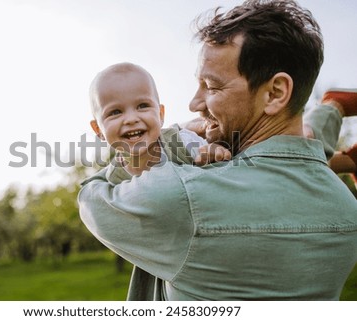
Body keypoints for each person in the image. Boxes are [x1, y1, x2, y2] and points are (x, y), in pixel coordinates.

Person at [79, 0, 357, 300]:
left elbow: (92, 198)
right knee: (305, 139)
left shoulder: (178, 195)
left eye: (211, 86)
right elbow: (290, 153)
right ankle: (333, 108)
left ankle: (333, 107)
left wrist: (167, 138)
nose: (194, 104)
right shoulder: (346, 209)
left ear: (275, 93)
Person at [88, 61, 231, 182]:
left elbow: (215, 164)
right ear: (98, 130)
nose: (131, 119)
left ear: (160, 114)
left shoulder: (183, 143)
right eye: (115, 112)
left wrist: (214, 152)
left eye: (143, 106)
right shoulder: (113, 180)